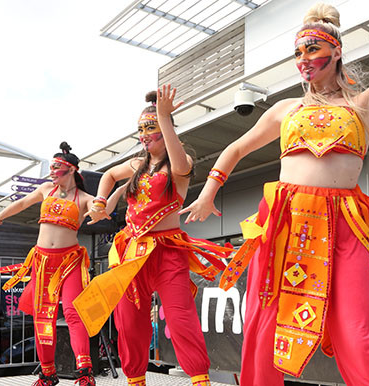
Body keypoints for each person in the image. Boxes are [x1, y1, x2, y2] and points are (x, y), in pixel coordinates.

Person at [179, 2, 369, 385]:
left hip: (342, 226)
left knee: (356, 328)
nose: (304, 60)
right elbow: (236, 148)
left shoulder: (363, 106)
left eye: (312, 49)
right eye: (298, 53)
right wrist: (210, 190)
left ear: (336, 51)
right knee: (264, 321)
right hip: (281, 222)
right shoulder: (285, 109)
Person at [74, 86, 231, 386]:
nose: (144, 134)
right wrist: (98, 201)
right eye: (141, 129)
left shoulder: (179, 163)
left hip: (167, 252)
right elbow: (107, 176)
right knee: (130, 323)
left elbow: (181, 163)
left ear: (165, 129)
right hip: (132, 253)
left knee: (180, 317)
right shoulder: (137, 165)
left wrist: (165, 115)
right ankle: (135, 380)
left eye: (151, 128)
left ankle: (199, 380)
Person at [0, 142, 97, 386]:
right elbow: (22, 203)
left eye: (57, 167)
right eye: (52, 166)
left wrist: (100, 208)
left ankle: (85, 371)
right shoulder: (46, 189)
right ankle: (47, 373)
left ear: (72, 170)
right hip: (43, 262)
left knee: (73, 312)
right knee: (43, 316)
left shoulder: (86, 198)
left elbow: (99, 209)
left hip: (70, 261)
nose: (52, 171)